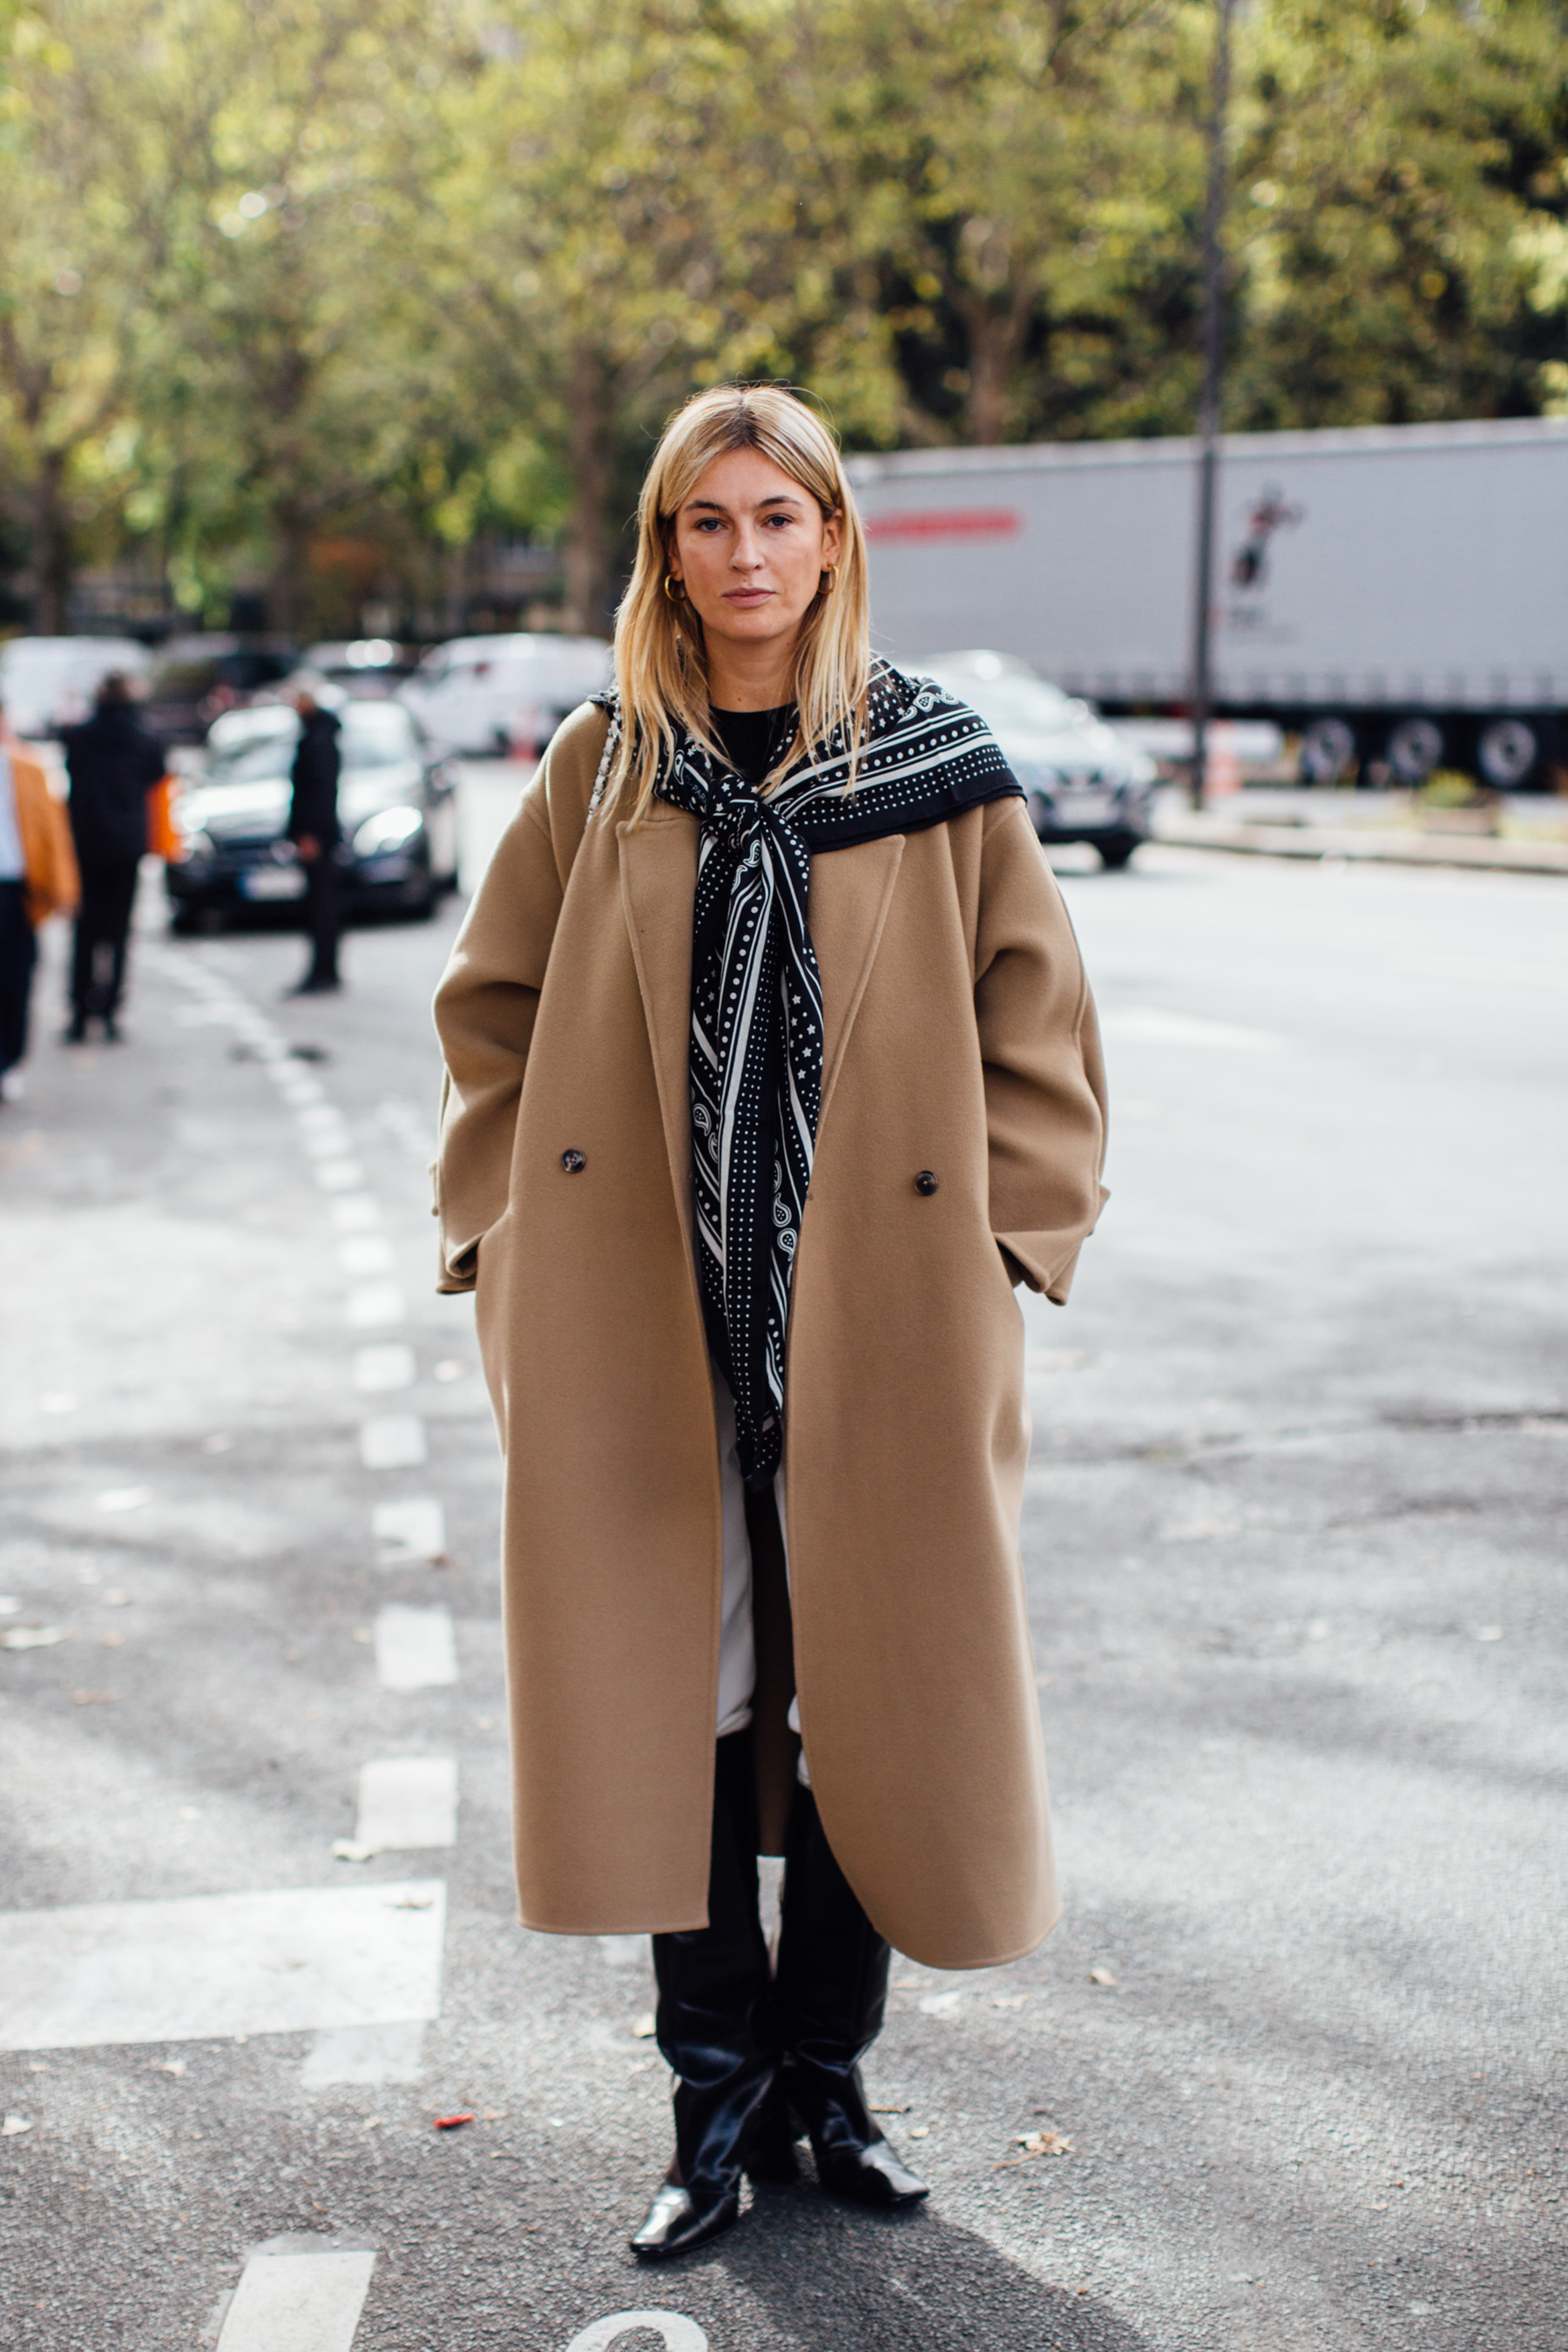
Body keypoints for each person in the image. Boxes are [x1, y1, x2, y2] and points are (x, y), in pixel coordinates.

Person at [431, 385, 1108, 2261]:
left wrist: (1011, 1252)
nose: (747, 557)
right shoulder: (602, 767)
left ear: (834, 539)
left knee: (879, 1704)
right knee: (679, 1704)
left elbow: (1037, 1031)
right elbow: (489, 1013)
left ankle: (833, 2083)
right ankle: (710, 2105)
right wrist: (496, 1239)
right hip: (637, 1332)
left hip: (882, 1326)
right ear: (668, 550)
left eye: (779, 519)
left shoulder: (938, 762)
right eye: (709, 524)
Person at [62, 672, 165, 1043]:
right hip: (127, 844)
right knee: (119, 931)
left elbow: (72, 772)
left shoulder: (80, 737)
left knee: (85, 930)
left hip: (86, 842)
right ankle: (110, 1011)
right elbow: (157, 780)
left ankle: (79, 1011)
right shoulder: (146, 739)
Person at [0, 700, 78, 1101]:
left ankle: (9, 1062)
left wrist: (64, 889)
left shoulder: (28, 769)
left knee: (16, 979)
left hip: (15, 891)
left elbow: (53, 832)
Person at [284, 684, 344, 996]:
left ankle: (323, 971)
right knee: (322, 905)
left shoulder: (317, 740)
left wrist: (310, 834)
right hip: (320, 834)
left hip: (317, 836)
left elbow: (318, 793)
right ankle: (325, 970)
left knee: (321, 907)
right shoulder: (318, 735)